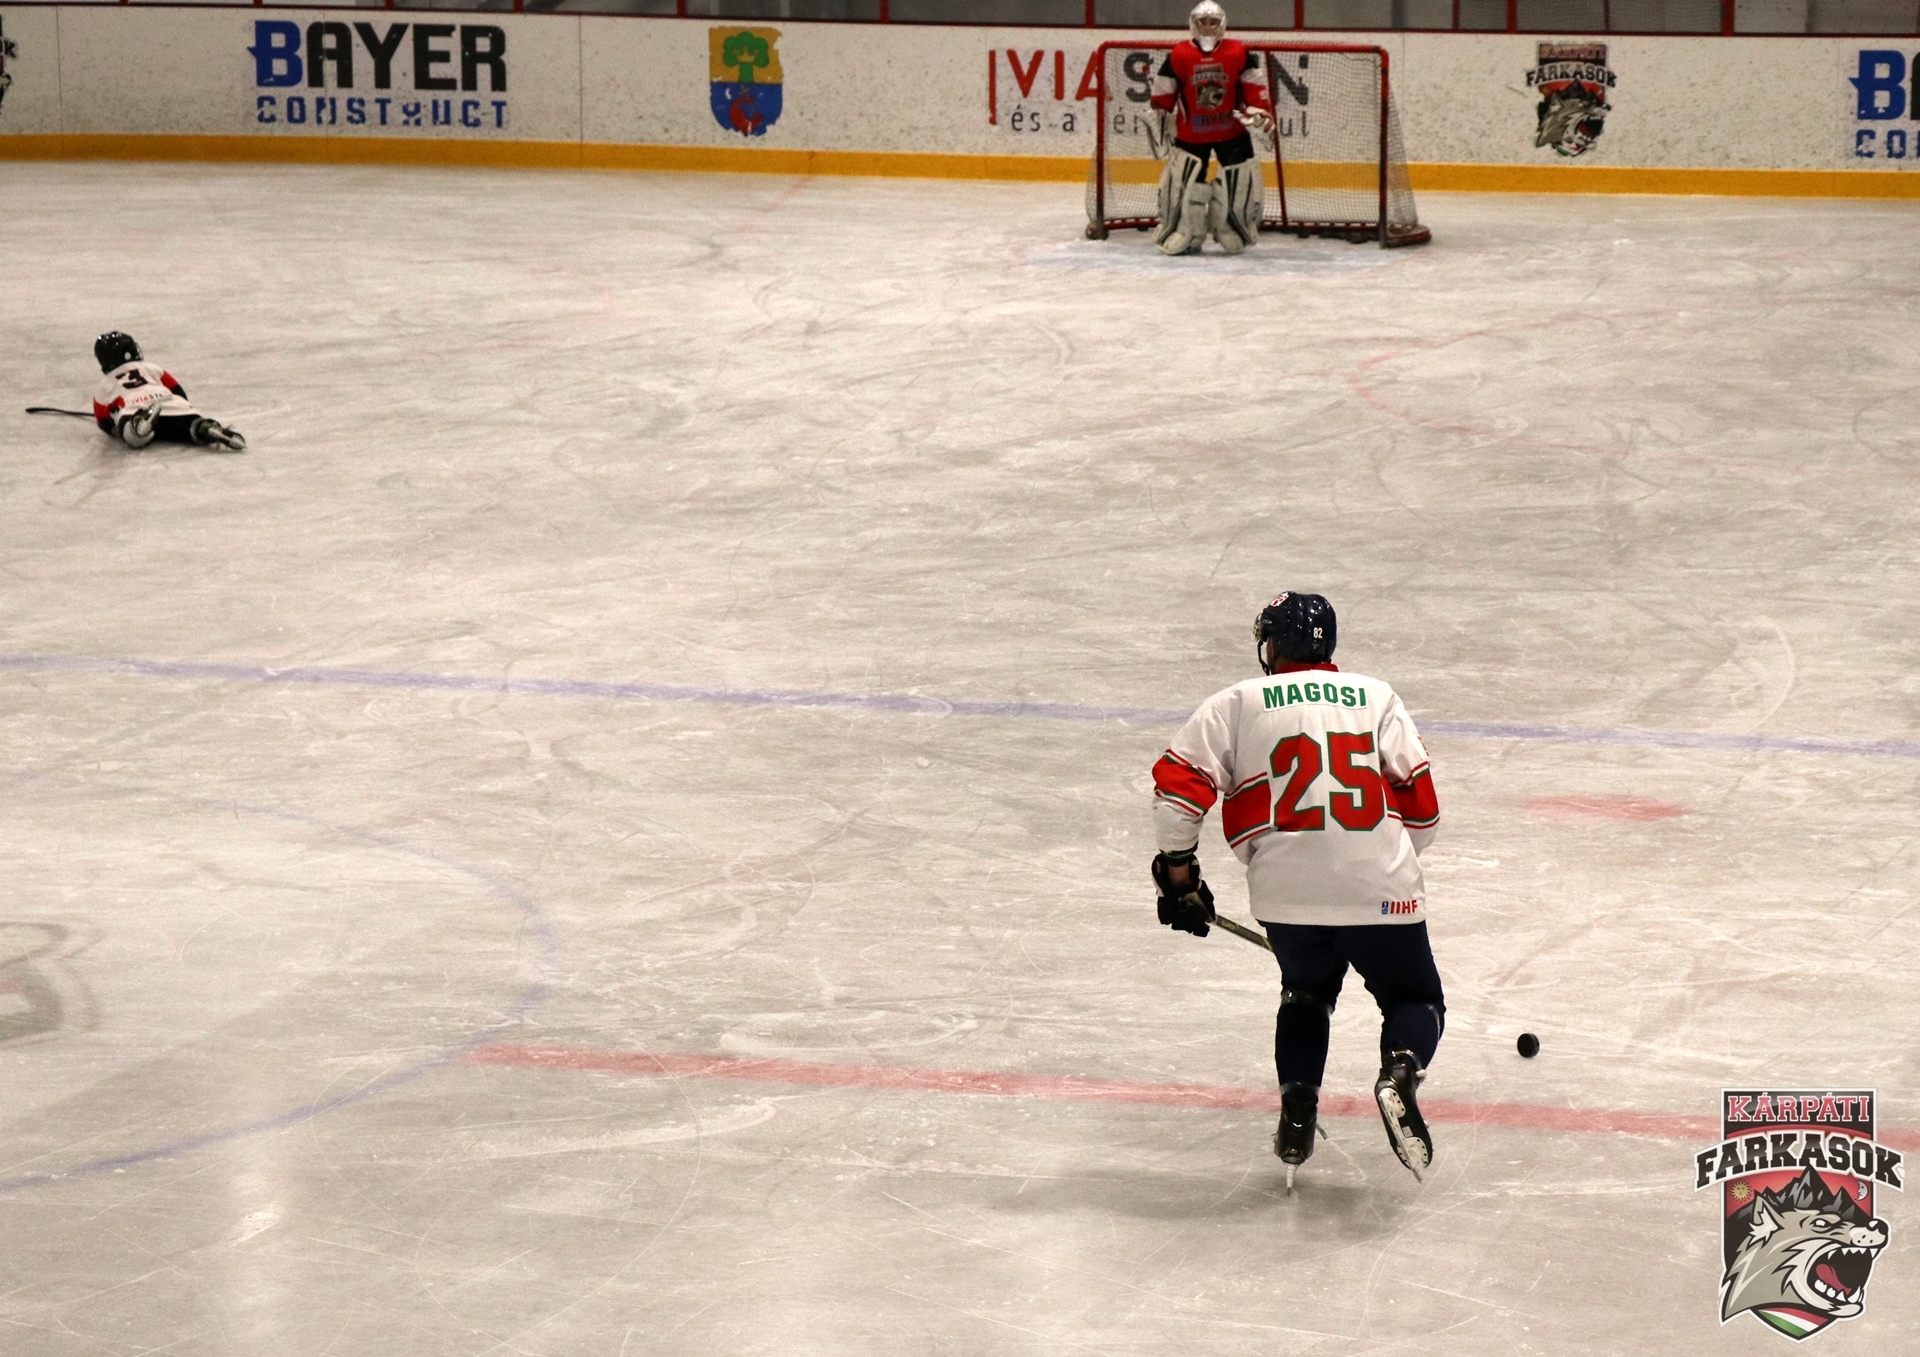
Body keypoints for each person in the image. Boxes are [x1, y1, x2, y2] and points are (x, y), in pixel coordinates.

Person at [1149, 593, 1445, 1189]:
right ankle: (1399, 1071)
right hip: (1381, 884)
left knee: (1306, 992)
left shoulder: (1237, 702)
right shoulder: (1376, 696)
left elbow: (1178, 793)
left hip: (1284, 892)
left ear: (1272, 645)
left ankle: (1297, 1111)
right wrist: (1376, 866)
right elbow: (1423, 813)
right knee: (1414, 999)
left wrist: (1180, 878)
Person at [1149, 1, 1275, 256]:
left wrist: (1259, 111)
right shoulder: (1179, 54)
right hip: (1191, 134)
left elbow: (1255, 88)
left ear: (1222, 23)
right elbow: (1163, 93)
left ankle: (1234, 228)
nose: (1208, 27)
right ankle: (1185, 231)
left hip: (1232, 132)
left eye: (1213, 22)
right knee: (1183, 186)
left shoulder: (1238, 52)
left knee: (1239, 184)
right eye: (1202, 22)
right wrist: (1160, 116)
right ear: (1193, 23)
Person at [91, 332, 247, 452]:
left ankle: (140, 424)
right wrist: (180, 406)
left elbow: (103, 421)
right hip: (170, 403)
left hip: (135, 407)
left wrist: (116, 425)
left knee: (129, 433)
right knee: (188, 427)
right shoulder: (151, 367)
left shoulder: (105, 384)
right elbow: (178, 391)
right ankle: (205, 428)